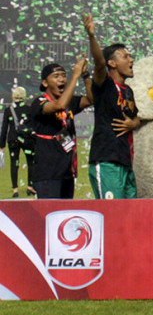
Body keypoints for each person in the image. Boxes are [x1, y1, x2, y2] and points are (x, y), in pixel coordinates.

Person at [83, 13, 140, 199]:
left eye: (130, 56)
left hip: (125, 161)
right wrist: (92, 36)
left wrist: (134, 123)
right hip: (107, 160)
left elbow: (136, 117)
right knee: (112, 214)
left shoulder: (128, 91)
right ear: (112, 63)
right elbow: (99, 63)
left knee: (129, 216)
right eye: (125, 56)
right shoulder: (105, 85)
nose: (131, 60)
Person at [28, 58, 92, 199]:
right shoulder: (39, 103)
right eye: (56, 76)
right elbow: (59, 106)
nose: (62, 79)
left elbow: (91, 99)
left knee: (64, 215)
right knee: (49, 216)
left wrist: (85, 75)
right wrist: (75, 76)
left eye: (64, 75)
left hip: (67, 173)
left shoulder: (70, 102)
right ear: (45, 83)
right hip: (48, 174)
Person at [2, 85, 35, 197]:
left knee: (14, 163)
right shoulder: (29, 109)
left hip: (13, 140)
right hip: (27, 140)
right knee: (30, 162)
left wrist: (1, 144)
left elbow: (4, 128)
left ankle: (15, 189)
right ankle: (30, 187)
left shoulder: (8, 110)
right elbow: (33, 127)